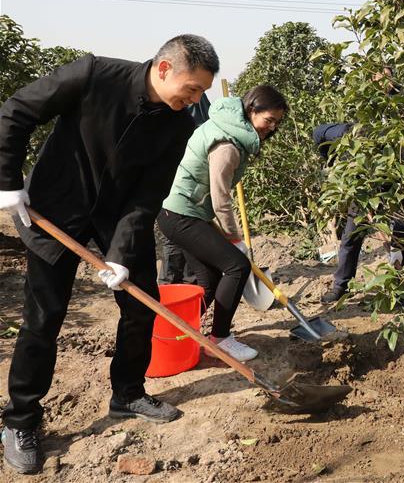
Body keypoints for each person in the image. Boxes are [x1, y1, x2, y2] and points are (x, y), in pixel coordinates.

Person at [0, 35, 218, 475]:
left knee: (140, 307)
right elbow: (15, 111)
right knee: (44, 317)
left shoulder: (179, 124)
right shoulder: (93, 74)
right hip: (55, 208)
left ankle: (128, 393)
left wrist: (121, 253)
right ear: (164, 69)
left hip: (118, 217)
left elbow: (147, 195)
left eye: (201, 92)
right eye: (192, 88)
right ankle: (20, 420)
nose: (195, 99)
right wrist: (7, 181)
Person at [157, 86, 287, 362]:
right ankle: (220, 339)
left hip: (181, 213)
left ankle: (170, 328)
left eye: (277, 122)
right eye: (269, 119)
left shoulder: (226, 127)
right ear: (251, 110)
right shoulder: (227, 145)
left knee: (209, 280)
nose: (272, 127)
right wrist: (234, 239)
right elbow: (220, 199)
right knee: (236, 266)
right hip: (182, 214)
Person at [312, 122, 404, 304]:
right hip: (361, 185)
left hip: (397, 180)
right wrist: (332, 161)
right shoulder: (341, 133)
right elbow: (318, 133)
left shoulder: (397, 150)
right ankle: (341, 287)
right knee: (351, 235)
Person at [157, 92, 211, 285]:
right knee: (177, 231)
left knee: (186, 230)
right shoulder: (176, 99)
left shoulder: (196, 98)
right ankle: (172, 283)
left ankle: (184, 282)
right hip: (178, 174)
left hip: (189, 173)